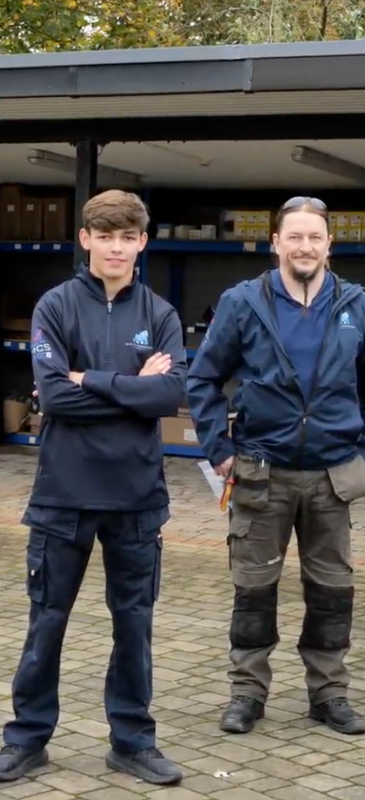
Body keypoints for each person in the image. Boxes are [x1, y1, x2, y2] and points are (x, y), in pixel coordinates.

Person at [0, 190, 186, 786]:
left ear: (141, 243)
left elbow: (168, 396)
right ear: (85, 240)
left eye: (127, 236)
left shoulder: (159, 314)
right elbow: (53, 396)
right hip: (62, 496)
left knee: (134, 624)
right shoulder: (54, 307)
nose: (115, 246)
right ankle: (26, 740)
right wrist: (129, 387)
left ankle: (132, 741)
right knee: (46, 620)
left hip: (135, 499)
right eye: (104, 235)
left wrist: (92, 379)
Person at [187, 196, 365, 736]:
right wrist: (219, 450)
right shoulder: (241, 304)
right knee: (253, 590)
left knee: (332, 593)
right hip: (261, 472)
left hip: (332, 477)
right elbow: (203, 379)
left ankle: (329, 694)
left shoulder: (357, 307)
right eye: (294, 237)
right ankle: (246, 694)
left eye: (315, 237)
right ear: (276, 242)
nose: (305, 246)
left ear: (330, 244)